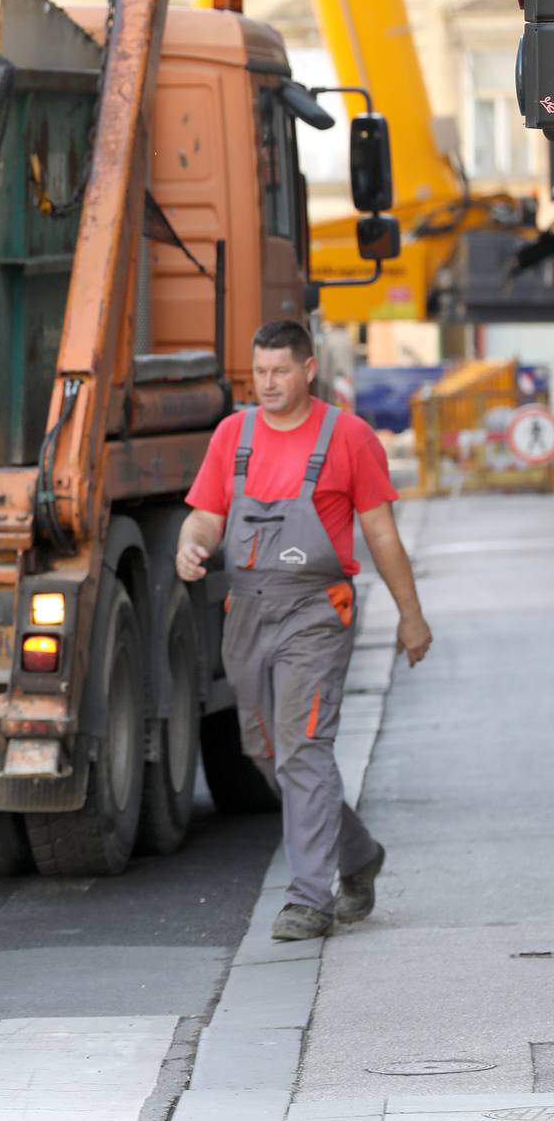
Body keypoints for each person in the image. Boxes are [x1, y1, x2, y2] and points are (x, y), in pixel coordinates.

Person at [177, 319, 432, 941]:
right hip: (245, 610)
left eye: (280, 371)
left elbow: (380, 535)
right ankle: (357, 852)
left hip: (315, 611)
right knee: (269, 754)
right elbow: (206, 517)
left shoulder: (348, 438)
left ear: (308, 369)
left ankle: (308, 898)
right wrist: (191, 546)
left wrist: (411, 613)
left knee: (304, 747)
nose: (267, 383)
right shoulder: (232, 435)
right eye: (259, 372)